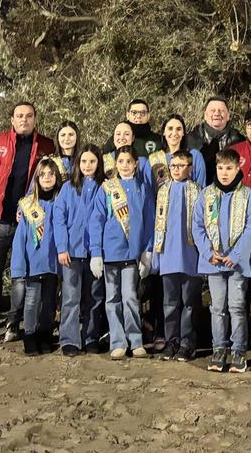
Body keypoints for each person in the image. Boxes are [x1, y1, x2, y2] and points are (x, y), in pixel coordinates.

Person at [0, 101, 56, 344]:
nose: (24, 120)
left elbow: (51, 181)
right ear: (12, 120)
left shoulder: (46, 145)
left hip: (28, 223)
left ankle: (13, 322)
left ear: (35, 119)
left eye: (29, 116)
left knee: (21, 276)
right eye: (19, 116)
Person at [193, 148, 251, 373]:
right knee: (217, 307)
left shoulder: (247, 195)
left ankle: (239, 350)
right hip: (213, 262)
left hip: (237, 263)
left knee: (237, 306)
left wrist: (236, 255)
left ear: (238, 168)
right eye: (220, 168)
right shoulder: (206, 195)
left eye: (229, 168)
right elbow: (198, 226)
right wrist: (207, 252)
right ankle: (219, 349)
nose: (224, 173)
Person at [89, 146, 155, 360]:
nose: (125, 165)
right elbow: (97, 221)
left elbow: (150, 222)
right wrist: (96, 253)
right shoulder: (107, 189)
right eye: (121, 161)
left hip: (132, 255)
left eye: (129, 161)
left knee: (130, 297)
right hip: (110, 254)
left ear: (136, 164)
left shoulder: (143, 189)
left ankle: (135, 341)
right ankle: (118, 341)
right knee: (112, 299)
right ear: (115, 164)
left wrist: (147, 251)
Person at [55, 144, 108, 356]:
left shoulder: (104, 187)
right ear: (78, 163)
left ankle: (91, 337)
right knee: (71, 297)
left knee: (94, 297)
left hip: (96, 252)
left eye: (92, 161)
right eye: (84, 161)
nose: (88, 165)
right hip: (72, 252)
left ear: (99, 164)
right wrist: (62, 248)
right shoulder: (68, 188)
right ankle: (69, 339)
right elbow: (59, 219)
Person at [152, 150, 203, 362]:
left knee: (189, 302)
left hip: (190, 255)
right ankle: (171, 340)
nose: (177, 169)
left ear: (190, 168)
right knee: (169, 303)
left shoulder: (198, 191)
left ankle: (187, 342)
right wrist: (155, 254)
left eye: (182, 166)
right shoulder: (163, 191)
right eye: (173, 166)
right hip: (167, 254)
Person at [10, 158, 62, 355]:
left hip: (52, 263)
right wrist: (19, 266)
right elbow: (21, 238)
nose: (47, 178)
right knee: (31, 302)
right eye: (43, 175)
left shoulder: (60, 201)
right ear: (37, 178)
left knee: (49, 304)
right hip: (33, 263)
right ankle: (29, 336)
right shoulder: (27, 205)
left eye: (51, 174)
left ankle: (45, 334)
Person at [187, 96, 244, 172]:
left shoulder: (240, 141)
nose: (217, 113)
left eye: (221, 111)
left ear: (228, 116)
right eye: (212, 110)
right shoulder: (189, 141)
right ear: (205, 115)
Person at [151, 114, 207, 188]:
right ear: (164, 132)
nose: (174, 133)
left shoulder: (195, 156)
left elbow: (201, 188)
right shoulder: (155, 159)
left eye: (178, 129)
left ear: (183, 132)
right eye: (170, 128)